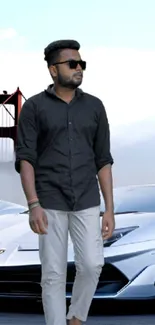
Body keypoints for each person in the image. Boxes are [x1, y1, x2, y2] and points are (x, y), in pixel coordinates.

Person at [15, 39, 115, 325]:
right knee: (54, 274)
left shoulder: (95, 107)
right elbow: (26, 160)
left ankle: (76, 318)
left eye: (81, 63)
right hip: (49, 200)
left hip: (86, 198)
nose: (79, 68)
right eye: (72, 64)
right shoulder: (33, 108)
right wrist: (33, 204)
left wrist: (109, 208)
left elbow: (103, 160)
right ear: (53, 70)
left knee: (93, 265)